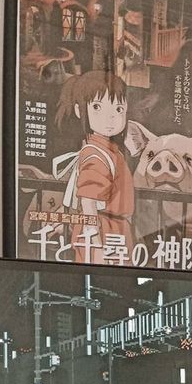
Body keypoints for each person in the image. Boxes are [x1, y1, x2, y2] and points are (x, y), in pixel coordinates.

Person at [53, 70, 134, 263]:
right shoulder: (96, 155)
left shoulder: (106, 150)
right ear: (80, 111)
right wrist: (96, 248)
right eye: (97, 107)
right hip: (104, 232)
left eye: (118, 109)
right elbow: (88, 203)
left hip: (112, 233)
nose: (111, 117)